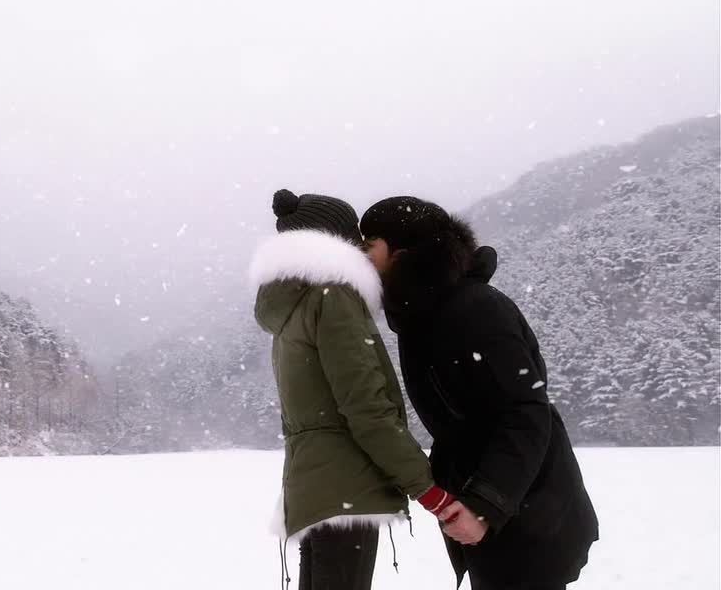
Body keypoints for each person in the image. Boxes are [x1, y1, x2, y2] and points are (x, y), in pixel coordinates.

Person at [360, 196, 599, 590]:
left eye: (369, 244)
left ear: (401, 253)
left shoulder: (475, 309)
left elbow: (525, 413)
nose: (360, 256)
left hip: (529, 512)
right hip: (498, 508)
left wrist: (485, 506)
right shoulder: (422, 316)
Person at [251, 190, 458, 590]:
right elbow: (365, 406)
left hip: (312, 487)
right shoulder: (333, 296)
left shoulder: (289, 308)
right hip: (350, 484)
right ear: (339, 242)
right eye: (357, 239)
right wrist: (427, 488)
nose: (364, 250)